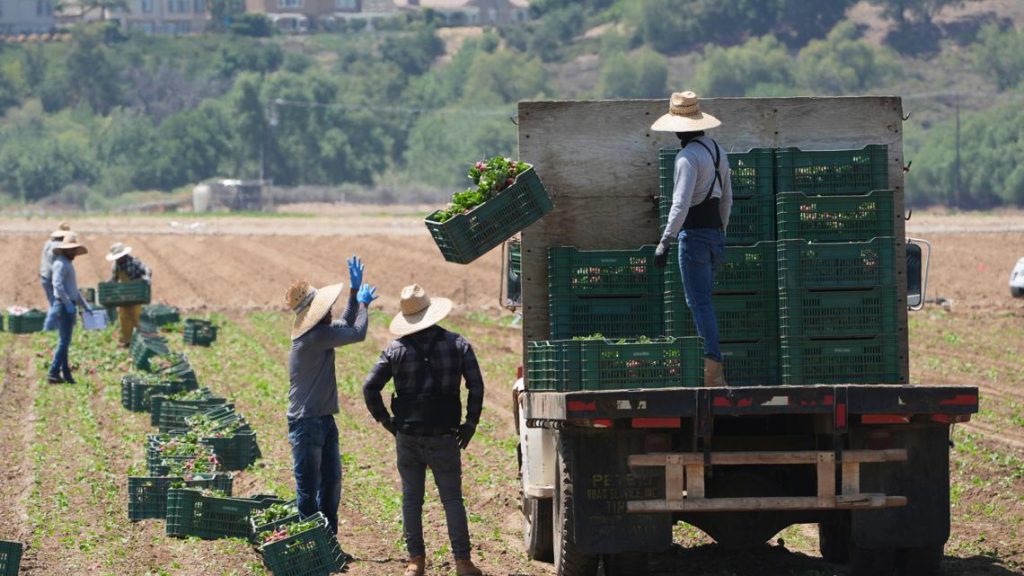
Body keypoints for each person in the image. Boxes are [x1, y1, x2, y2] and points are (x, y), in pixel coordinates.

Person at [362, 284, 485, 576]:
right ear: (431, 311)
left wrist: (387, 421)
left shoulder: (395, 350)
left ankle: (416, 561)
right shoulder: (458, 344)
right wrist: (470, 424)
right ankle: (463, 562)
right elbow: (476, 386)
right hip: (445, 435)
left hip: (408, 435)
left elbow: (369, 387)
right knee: (452, 499)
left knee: (412, 500)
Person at [285, 256, 377, 535]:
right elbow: (357, 332)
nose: (330, 310)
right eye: (325, 308)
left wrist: (353, 291)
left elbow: (345, 323)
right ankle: (313, 545)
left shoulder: (320, 332)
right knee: (309, 489)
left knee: (331, 483)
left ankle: (329, 542)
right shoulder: (315, 338)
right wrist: (363, 304)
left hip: (323, 419)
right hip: (306, 423)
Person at [651, 91, 734, 387]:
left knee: (699, 302)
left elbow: (681, 203)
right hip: (715, 234)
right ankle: (710, 366)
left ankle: (712, 370)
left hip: (695, 236)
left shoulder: (687, 157)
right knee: (704, 300)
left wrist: (665, 241)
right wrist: (720, 231)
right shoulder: (717, 151)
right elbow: (727, 199)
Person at [49, 232, 92, 384]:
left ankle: (66, 374)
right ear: (65, 250)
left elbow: (73, 289)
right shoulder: (60, 264)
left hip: (68, 305)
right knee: (64, 342)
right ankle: (53, 372)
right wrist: (67, 303)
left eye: (75, 250)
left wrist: (84, 304)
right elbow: (57, 285)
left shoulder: (67, 263)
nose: (74, 252)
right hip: (62, 305)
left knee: (65, 341)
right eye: (71, 250)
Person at [106, 242, 152, 347]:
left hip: (136, 293)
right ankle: (127, 341)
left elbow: (147, 269)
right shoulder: (116, 265)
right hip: (124, 294)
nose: (118, 259)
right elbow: (114, 279)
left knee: (135, 317)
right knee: (123, 317)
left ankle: (141, 342)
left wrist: (146, 279)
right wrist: (109, 285)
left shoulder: (134, 262)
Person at [40, 222, 70, 331]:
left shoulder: (48, 243)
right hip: (52, 277)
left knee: (53, 302)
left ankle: (55, 327)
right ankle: (48, 328)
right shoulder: (59, 246)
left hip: (44, 276)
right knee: (56, 303)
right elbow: (58, 266)